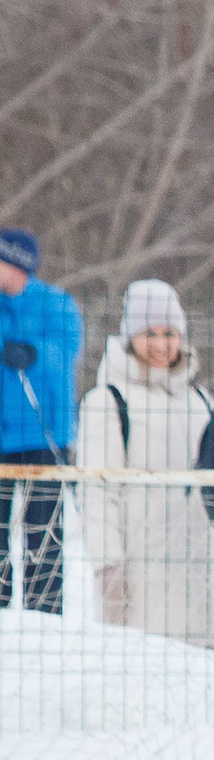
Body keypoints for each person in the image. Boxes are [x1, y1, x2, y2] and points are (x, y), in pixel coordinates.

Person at [77, 280, 214, 648]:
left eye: (170, 333)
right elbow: (96, 495)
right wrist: (108, 569)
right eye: (149, 333)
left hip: (197, 585)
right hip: (138, 583)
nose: (161, 345)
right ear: (130, 337)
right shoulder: (108, 402)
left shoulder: (202, 402)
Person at [0, 228, 84, 616]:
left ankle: (45, 611)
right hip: (2, 435)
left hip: (42, 434)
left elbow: (66, 354)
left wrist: (33, 352)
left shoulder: (56, 304)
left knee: (44, 532)